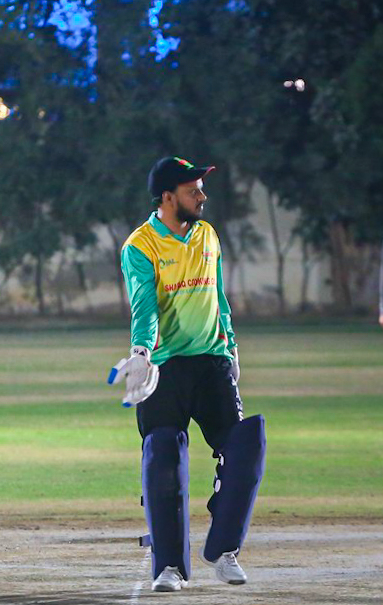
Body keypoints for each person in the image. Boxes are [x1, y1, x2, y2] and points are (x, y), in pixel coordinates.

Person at [110, 156, 266, 593]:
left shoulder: (207, 235)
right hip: (164, 369)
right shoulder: (140, 246)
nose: (202, 196)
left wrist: (231, 345)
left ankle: (224, 550)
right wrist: (142, 352)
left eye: (201, 188)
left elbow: (219, 295)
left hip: (212, 363)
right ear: (167, 197)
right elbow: (144, 306)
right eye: (192, 190)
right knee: (163, 456)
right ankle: (169, 566)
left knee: (245, 448)